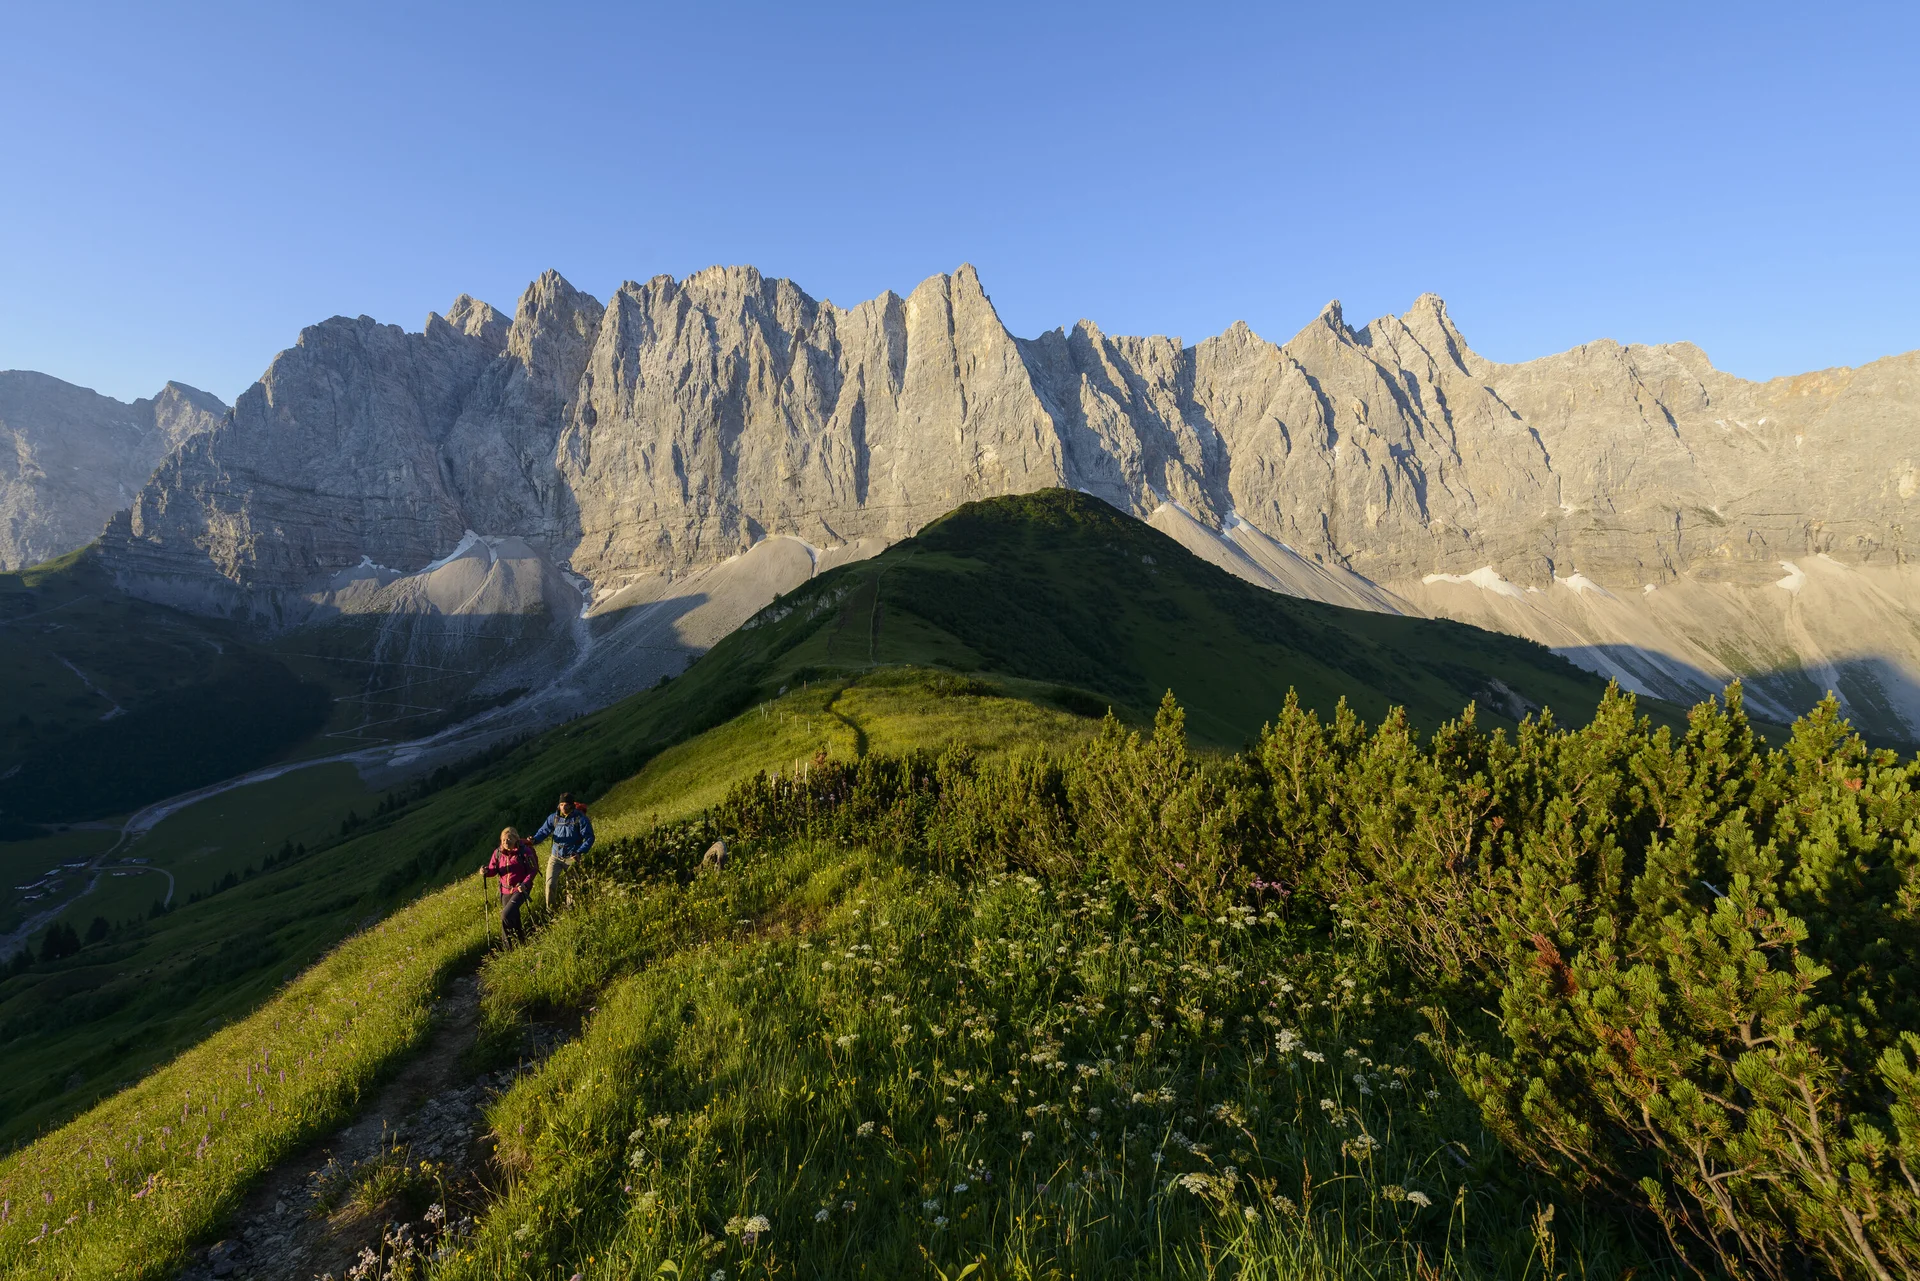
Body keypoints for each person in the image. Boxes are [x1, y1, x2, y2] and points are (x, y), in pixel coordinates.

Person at [531, 792, 595, 911]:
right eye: (561, 804)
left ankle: (571, 910)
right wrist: (534, 840)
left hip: (572, 857)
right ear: (558, 805)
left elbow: (590, 837)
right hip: (555, 856)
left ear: (571, 805)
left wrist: (580, 852)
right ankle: (551, 911)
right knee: (550, 884)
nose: (563, 807)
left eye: (566, 805)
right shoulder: (553, 818)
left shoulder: (580, 818)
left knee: (572, 886)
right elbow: (544, 831)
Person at [481, 827, 538, 945]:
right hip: (505, 890)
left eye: (509, 839)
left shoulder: (525, 851)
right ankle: (522, 942)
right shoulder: (497, 853)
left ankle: (508, 947)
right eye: (503, 840)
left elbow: (533, 870)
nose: (506, 842)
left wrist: (525, 884)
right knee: (513, 917)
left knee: (505, 915)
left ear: (516, 839)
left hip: (520, 889)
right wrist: (486, 872)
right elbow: (493, 870)